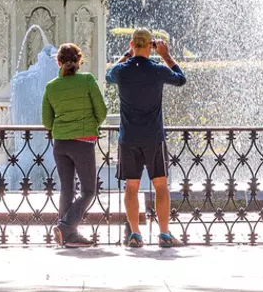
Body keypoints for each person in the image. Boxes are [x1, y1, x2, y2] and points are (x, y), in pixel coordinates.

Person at [106, 28, 186, 248]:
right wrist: (166, 56)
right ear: (151, 46)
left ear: (132, 44)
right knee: (161, 185)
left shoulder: (122, 71)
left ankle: (135, 234)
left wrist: (126, 54)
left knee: (131, 187)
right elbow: (181, 80)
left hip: (128, 137)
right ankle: (164, 234)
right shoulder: (158, 70)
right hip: (153, 136)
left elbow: (108, 75)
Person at [41, 41, 106, 247]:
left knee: (66, 189)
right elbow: (102, 111)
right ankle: (66, 227)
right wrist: (91, 125)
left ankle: (67, 236)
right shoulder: (87, 80)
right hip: (83, 142)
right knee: (88, 190)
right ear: (79, 60)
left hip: (60, 143)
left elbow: (46, 121)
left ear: (58, 62)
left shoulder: (51, 86)